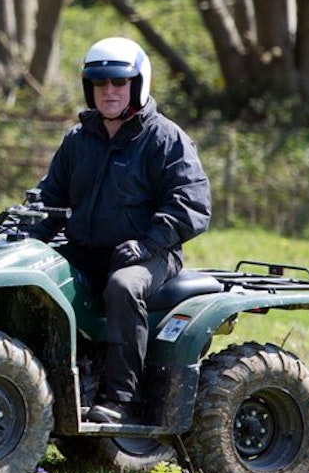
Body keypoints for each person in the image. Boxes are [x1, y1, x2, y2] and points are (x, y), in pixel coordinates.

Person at [27, 36, 211, 425]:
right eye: (99, 84)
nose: (108, 91)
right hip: (84, 247)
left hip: (150, 253)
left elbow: (191, 204)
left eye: (118, 83)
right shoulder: (78, 141)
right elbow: (49, 199)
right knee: (27, 271)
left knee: (124, 287)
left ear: (138, 84)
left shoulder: (165, 139)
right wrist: (24, 234)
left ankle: (121, 398)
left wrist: (147, 244)